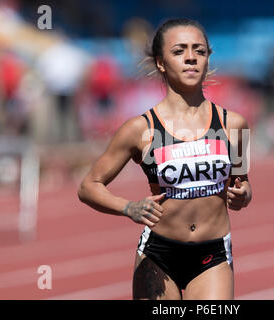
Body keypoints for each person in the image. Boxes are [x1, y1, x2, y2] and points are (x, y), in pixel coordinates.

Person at [78, 18, 252, 300]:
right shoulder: (140, 129)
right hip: (159, 255)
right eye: (179, 50)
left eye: (199, 50)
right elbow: (89, 186)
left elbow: (242, 183)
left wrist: (244, 194)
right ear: (161, 62)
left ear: (208, 58)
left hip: (213, 255)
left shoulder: (236, 125)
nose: (191, 57)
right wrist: (129, 207)